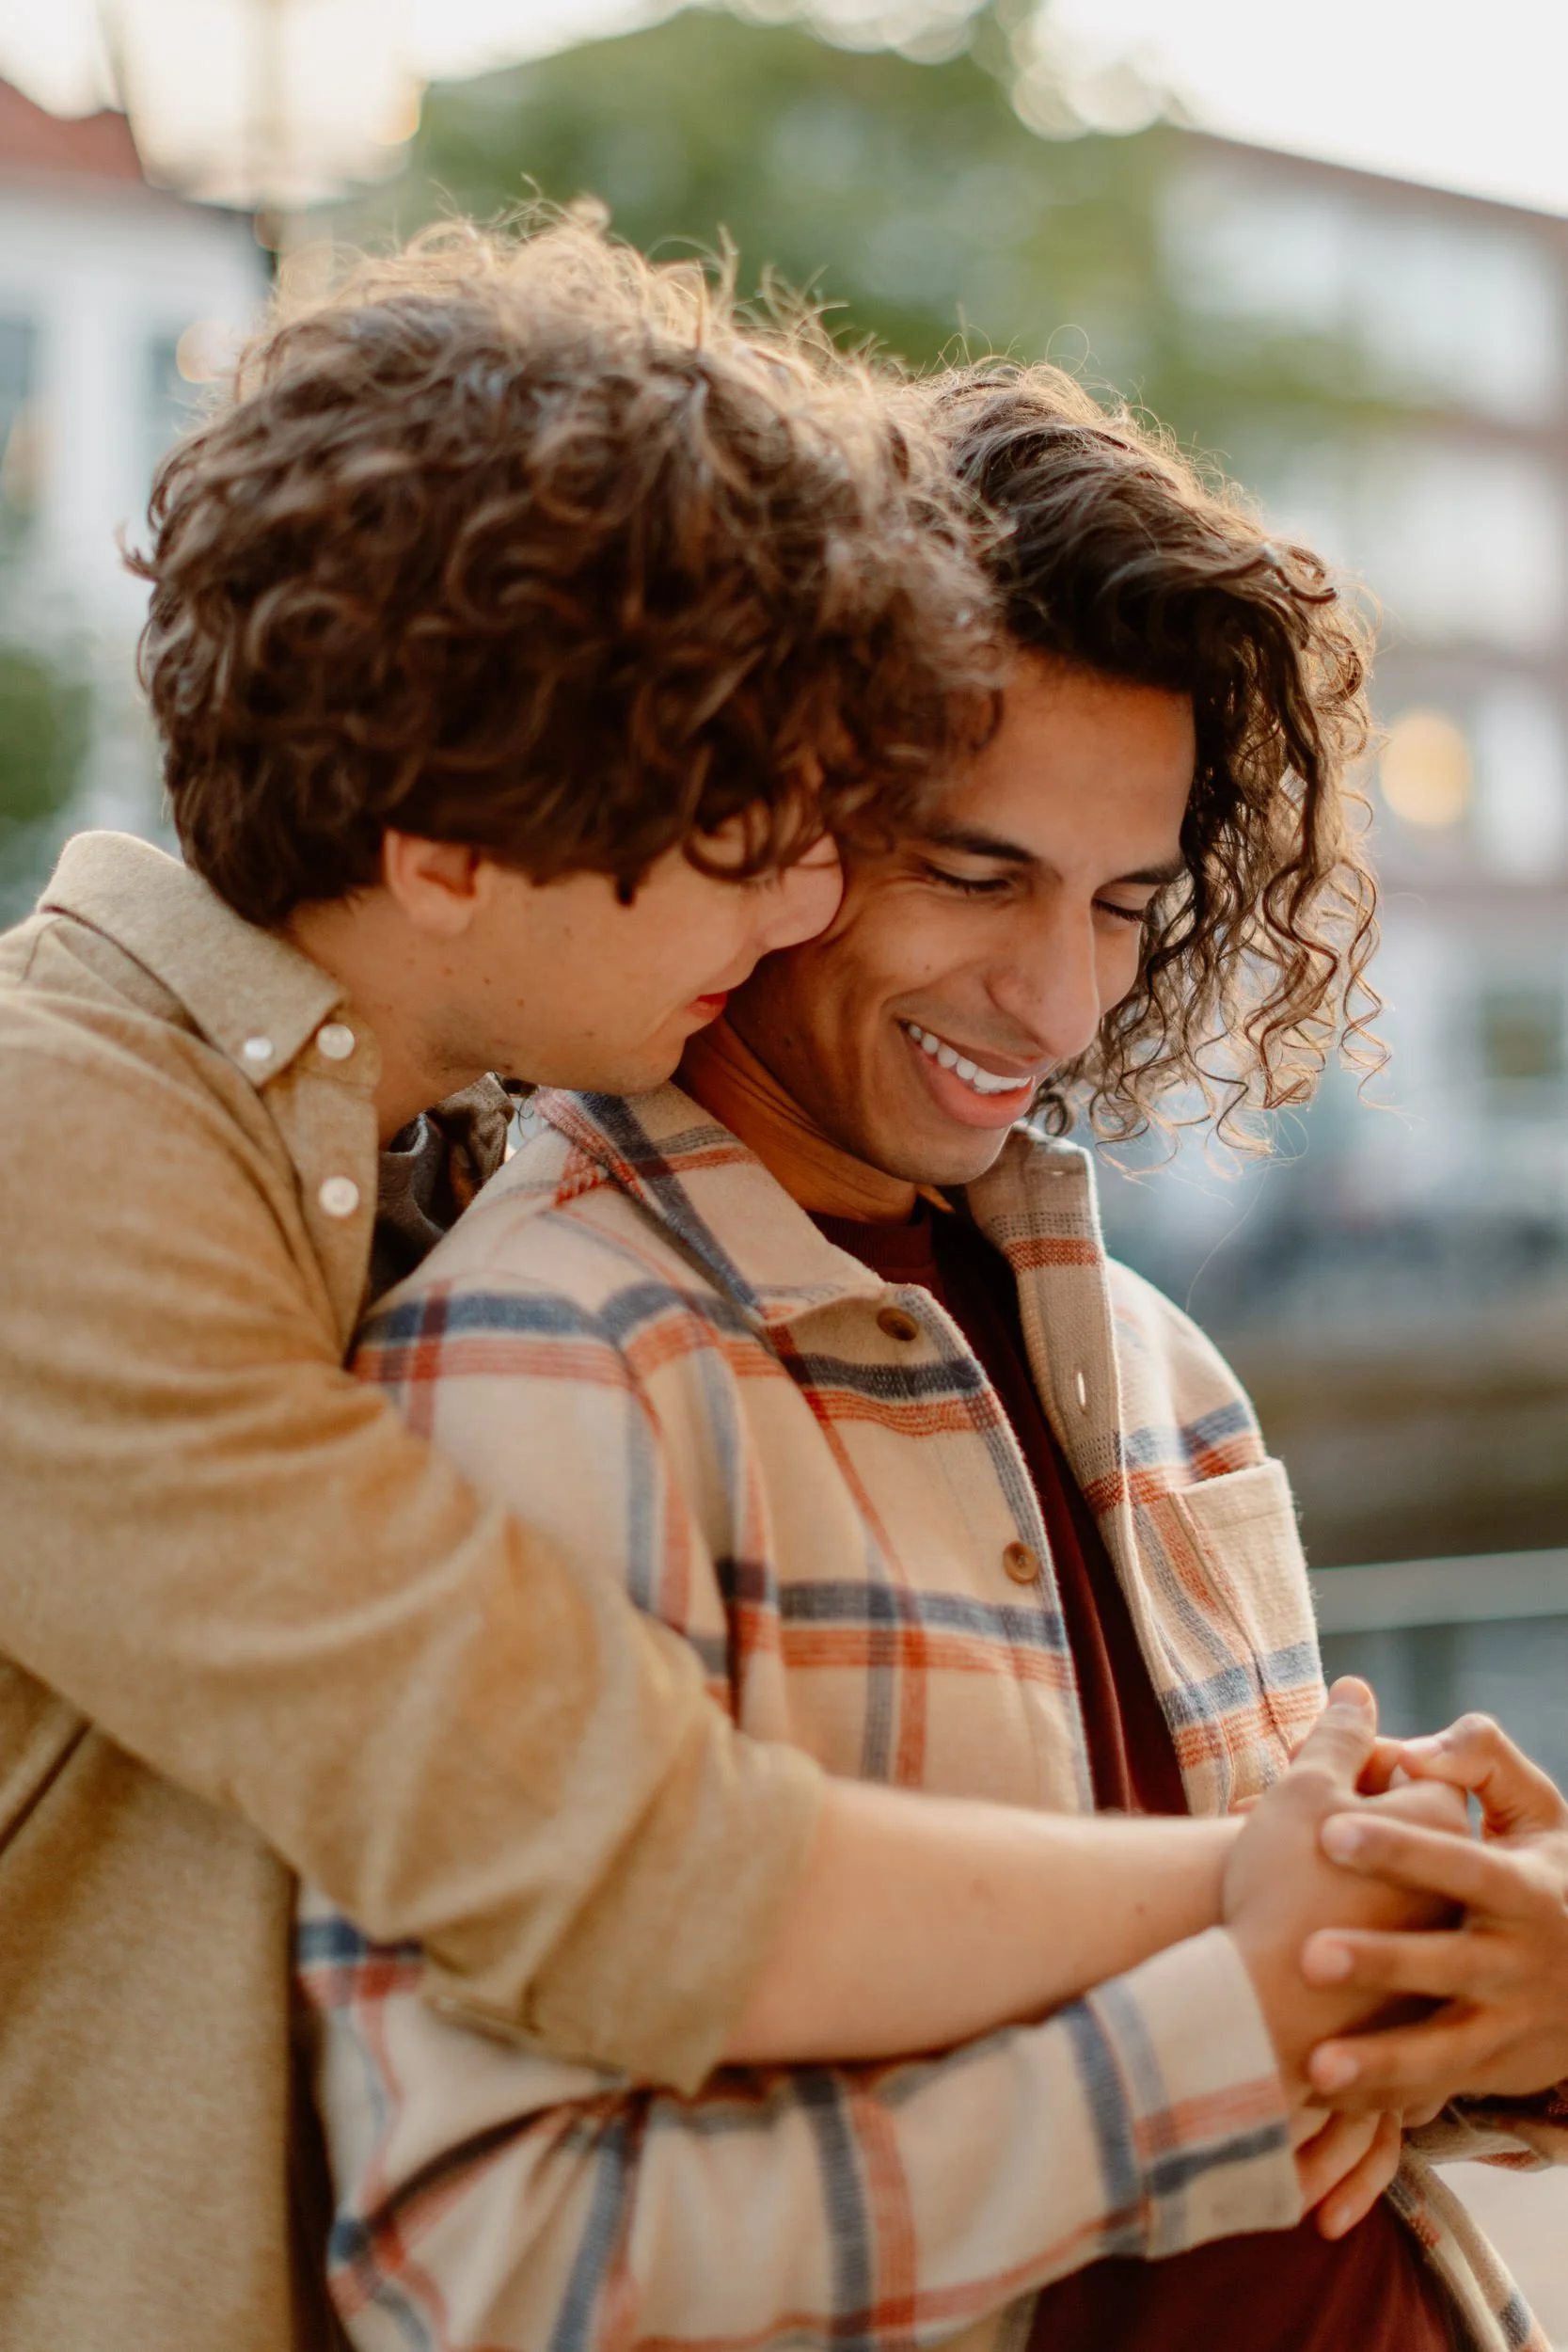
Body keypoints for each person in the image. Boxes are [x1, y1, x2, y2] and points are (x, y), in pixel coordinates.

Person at [302, 363, 1567, 2351]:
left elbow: (1318, 2022)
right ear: (759, 822)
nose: (1055, 995)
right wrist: (1214, 2038)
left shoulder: (1156, 1364)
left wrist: (1515, 1993)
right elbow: (498, 2270)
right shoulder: (550, 1363)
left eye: (1124, 904)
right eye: (973, 874)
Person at [0, 226, 1125, 2352]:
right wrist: (1260, 1907)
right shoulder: (55, 1157)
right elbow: (640, 1863)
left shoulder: (382, 1156)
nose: (808, 898)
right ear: (442, 846)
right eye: (739, 835)